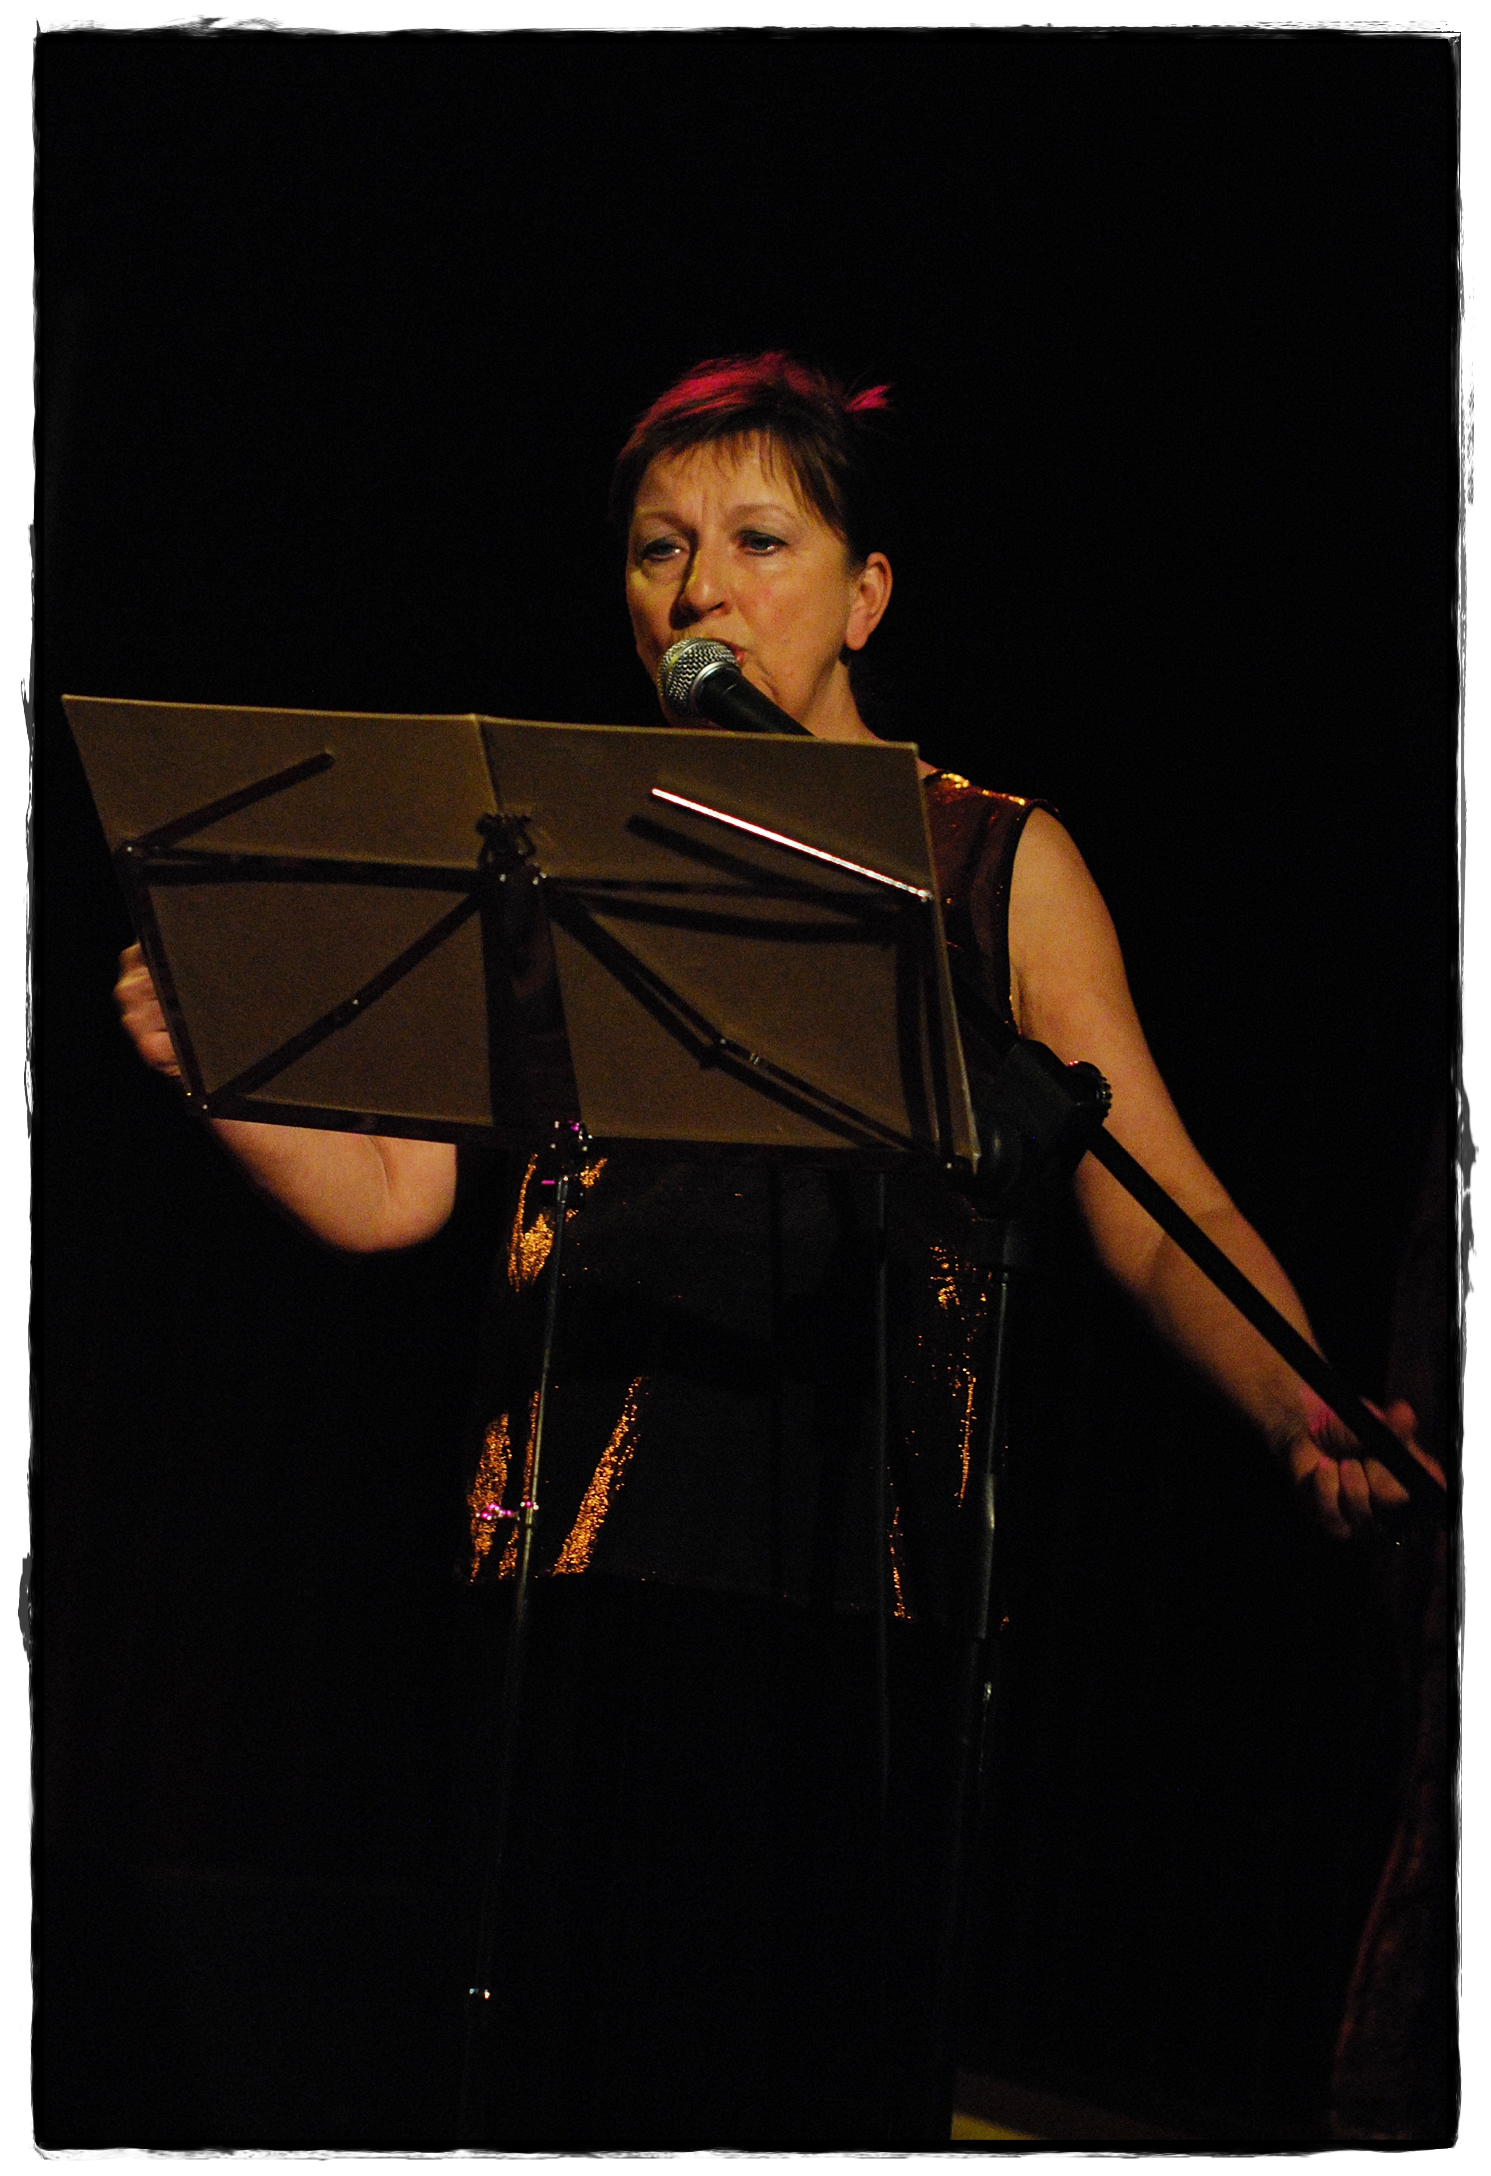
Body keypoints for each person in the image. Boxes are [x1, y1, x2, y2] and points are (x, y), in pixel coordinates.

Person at [113, 353, 1435, 2143]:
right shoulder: (550, 854)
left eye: (756, 540)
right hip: (571, 1563)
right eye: (659, 549)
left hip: (859, 1579)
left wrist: (1299, 1406)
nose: (699, 590)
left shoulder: (984, 861)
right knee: (566, 2073)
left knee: (798, 2064)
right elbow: (395, 1198)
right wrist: (230, 1063)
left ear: (865, 594)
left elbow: (1153, 1197)